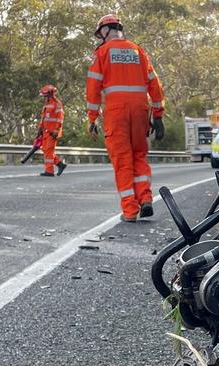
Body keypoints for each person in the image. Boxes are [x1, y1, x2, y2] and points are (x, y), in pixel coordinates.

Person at [85, 14, 165, 221]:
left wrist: (92, 118)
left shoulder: (102, 53)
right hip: (140, 110)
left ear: (105, 31)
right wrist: (158, 116)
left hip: (116, 112)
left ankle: (130, 211)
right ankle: (146, 198)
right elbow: (154, 85)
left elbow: (93, 88)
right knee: (139, 155)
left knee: (122, 161)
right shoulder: (138, 51)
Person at [37, 84, 66, 177]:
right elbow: (43, 118)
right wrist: (40, 129)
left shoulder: (57, 104)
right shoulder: (47, 105)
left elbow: (60, 119)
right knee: (45, 150)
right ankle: (60, 164)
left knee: (49, 150)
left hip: (53, 132)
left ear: (50, 94)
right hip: (45, 132)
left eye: (45, 96)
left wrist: (56, 130)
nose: (44, 98)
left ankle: (49, 171)